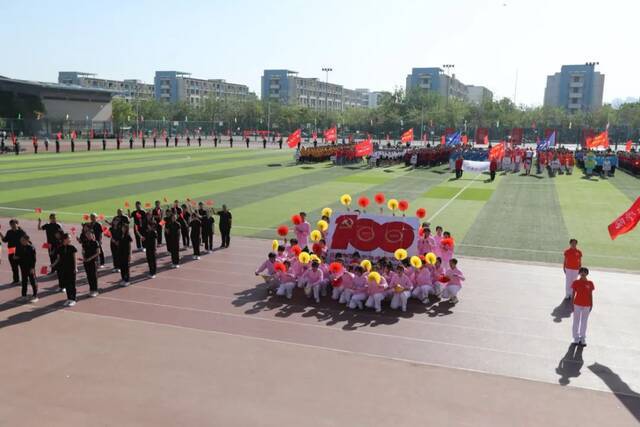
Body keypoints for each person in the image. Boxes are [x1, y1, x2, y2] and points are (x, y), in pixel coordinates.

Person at [51, 233, 78, 307]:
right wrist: (53, 264)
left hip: (71, 268)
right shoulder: (60, 248)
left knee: (72, 285)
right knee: (67, 284)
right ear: (64, 239)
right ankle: (69, 299)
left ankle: (73, 299)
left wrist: (75, 268)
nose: (70, 239)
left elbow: (74, 258)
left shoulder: (72, 247)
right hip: (64, 268)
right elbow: (58, 258)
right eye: (68, 238)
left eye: (70, 238)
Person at [571, 267, 594, 346]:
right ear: (579, 273)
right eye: (581, 272)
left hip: (587, 305)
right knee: (576, 321)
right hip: (577, 304)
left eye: (585, 272)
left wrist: (591, 304)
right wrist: (572, 303)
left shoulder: (590, 283)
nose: (583, 273)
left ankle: (582, 337)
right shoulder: (576, 282)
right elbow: (573, 293)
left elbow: (590, 294)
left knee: (584, 322)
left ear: (587, 273)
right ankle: (576, 338)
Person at [0, 219, 26, 284]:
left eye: (14, 224)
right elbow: (5, 240)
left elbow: (26, 241)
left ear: (17, 224)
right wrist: (0, 233)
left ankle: (24, 280)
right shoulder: (9, 232)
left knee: (23, 268)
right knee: (14, 268)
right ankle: (16, 280)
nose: (13, 225)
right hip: (11, 251)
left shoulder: (21, 232)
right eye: (11, 224)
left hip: (20, 251)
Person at [15, 235, 38, 302]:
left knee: (33, 281)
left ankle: (35, 296)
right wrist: (16, 258)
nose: (20, 241)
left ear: (26, 240)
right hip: (23, 267)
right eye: (21, 240)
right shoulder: (19, 246)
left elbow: (34, 260)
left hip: (30, 267)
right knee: (24, 281)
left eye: (22, 240)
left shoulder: (31, 248)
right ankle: (24, 295)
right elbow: (19, 255)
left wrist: (32, 268)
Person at [81, 230, 100, 297]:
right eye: (87, 234)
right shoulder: (85, 242)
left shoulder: (95, 242)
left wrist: (90, 258)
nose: (88, 235)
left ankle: (95, 290)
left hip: (93, 261)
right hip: (86, 261)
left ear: (92, 235)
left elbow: (98, 252)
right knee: (89, 275)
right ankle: (91, 289)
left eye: (90, 234)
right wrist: (84, 257)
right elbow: (83, 251)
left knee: (93, 276)